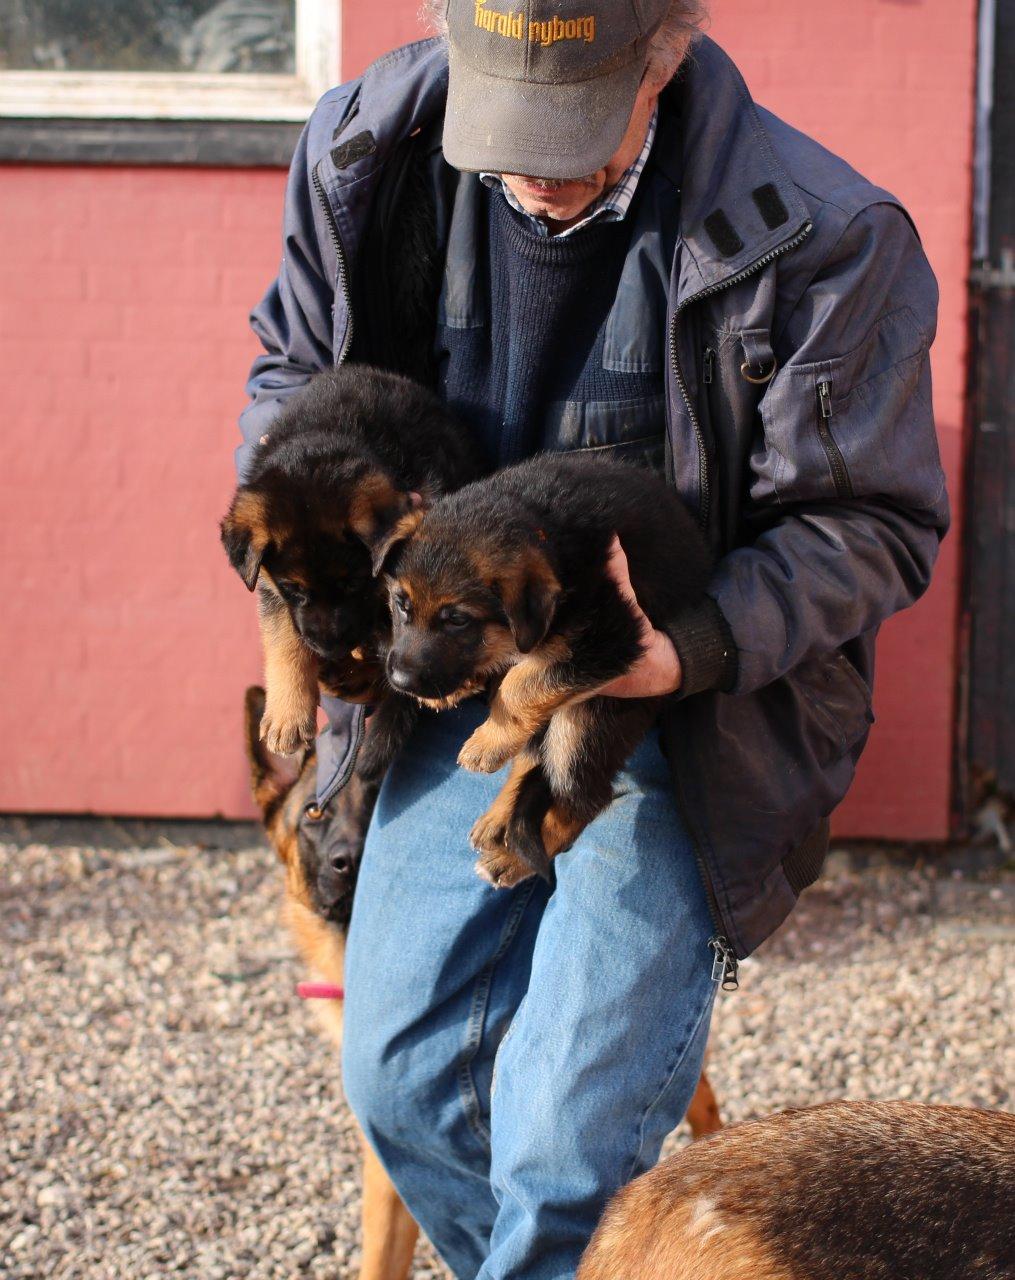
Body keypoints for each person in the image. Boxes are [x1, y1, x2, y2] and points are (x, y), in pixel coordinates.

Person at [236, 2, 949, 1275]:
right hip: (453, 691)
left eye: (572, 131)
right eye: (504, 120)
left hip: (681, 698)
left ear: (664, 53)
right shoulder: (365, 158)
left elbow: (869, 523)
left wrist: (690, 642)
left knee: (566, 1144)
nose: (533, 170)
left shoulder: (829, 235)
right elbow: (294, 373)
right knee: (400, 1080)